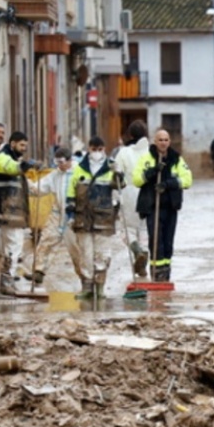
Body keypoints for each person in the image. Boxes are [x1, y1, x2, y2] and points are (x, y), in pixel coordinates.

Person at [132, 128, 193, 282]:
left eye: (166, 140)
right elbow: (136, 180)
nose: (163, 143)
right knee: (156, 240)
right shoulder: (146, 158)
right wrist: (152, 172)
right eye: (160, 140)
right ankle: (156, 273)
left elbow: (187, 180)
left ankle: (166, 273)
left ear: (169, 142)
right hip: (153, 207)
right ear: (155, 141)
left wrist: (168, 184)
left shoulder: (176, 159)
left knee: (168, 241)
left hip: (170, 206)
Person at [72, 136, 125, 297]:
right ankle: (87, 287)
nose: (96, 153)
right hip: (84, 217)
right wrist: (69, 212)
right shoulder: (80, 167)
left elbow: (120, 186)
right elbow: (71, 189)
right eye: (94, 149)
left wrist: (119, 174)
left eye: (100, 149)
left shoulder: (110, 167)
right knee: (86, 254)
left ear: (104, 149)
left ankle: (100, 287)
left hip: (104, 217)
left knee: (102, 253)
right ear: (89, 149)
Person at [0, 130, 39, 294]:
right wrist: (25, 166)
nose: (24, 148)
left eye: (26, 145)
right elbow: (11, 169)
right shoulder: (3, 158)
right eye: (21, 145)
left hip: (14, 212)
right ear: (12, 144)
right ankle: (6, 280)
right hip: (7, 211)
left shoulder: (12, 158)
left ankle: (7, 279)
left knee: (13, 246)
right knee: (13, 245)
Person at [27, 148, 81, 293]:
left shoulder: (79, 171)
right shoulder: (55, 175)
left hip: (74, 215)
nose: (59, 166)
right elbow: (39, 189)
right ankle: (39, 271)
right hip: (57, 214)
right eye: (56, 162)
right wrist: (26, 182)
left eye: (61, 162)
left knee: (76, 249)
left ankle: (86, 279)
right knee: (46, 240)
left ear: (69, 160)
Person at [114, 121, 152, 279]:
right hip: (148, 194)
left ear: (129, 135)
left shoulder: (123, 153)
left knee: (126, 229)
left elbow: (116, 175)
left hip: (129, 193)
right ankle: (143, 261)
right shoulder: (152, 151)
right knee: (144, 229)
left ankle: (137, 251)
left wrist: (115, 199)